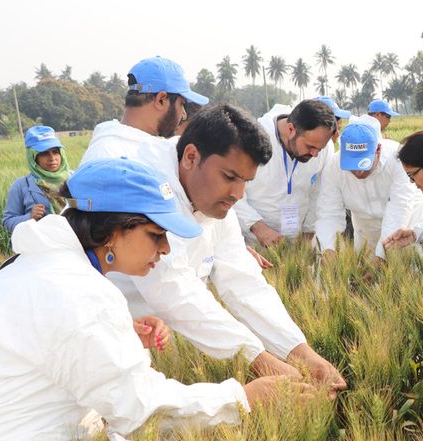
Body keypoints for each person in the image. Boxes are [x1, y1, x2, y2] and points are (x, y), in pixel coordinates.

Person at [0, 158, 315, 441]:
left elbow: (51, 347)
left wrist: (119, 335)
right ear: (114, 230)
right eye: (156, 235)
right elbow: (140, 409)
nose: (165, 249)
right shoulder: (81, 293)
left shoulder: (33, 267)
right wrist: (242, 398)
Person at [117, 104, 346, 391]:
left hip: (163, 337)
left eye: (246, 182)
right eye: (229, 178)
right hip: (112, 337)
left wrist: (301, 354)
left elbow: (243, 281)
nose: (238, 195)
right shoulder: (150, 190)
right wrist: (261, 359)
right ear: (191, 157)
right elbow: (172, 290)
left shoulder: (214, 202)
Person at [315, 115, 423, 261]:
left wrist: (381, 257)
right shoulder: (333, 166)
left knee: (407, 268)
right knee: (364, 273)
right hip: (365, 230)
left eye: (363, 163)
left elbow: (398, 210)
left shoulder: (399, 159)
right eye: (352, 165)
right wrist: (329, 249)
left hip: (406, 225)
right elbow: (329, 212)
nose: (359, 172)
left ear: (378, 149)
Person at [234, 100, 336, 247]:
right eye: (310, 146)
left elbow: (318, 193)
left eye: (320, 148)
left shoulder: (324, 149)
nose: (315, 154)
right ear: (291, 129)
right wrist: (257, 227)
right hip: (253, 241)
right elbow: (232, 192)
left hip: (297, 244)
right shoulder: (252, 140)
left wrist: (308, 232)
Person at [80, 56, 208, 163]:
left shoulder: (110, 143)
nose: (184, 115)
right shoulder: (113, 156)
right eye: (181, 104)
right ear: (161, 100)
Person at [2, 126, 73, 233]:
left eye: (55, 151)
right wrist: (29, 217)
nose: (52, 158)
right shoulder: (21, 186)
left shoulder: (75, 178)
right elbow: (7, 222)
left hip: (77, 245)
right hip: (42, 247)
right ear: (33, 157)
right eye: (44, 153)